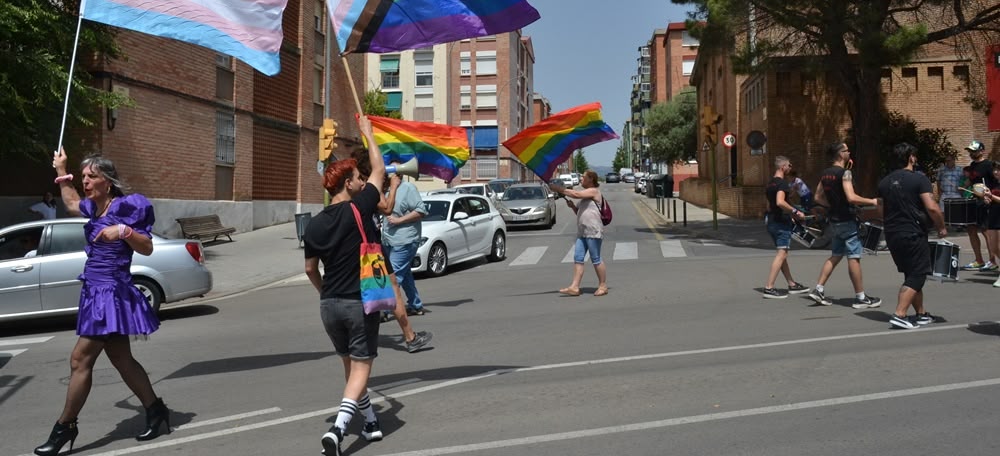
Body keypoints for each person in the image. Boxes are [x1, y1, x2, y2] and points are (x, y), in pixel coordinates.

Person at [34, 149, 167, 456]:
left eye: (91, 176)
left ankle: (65, 427)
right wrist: (62, 170)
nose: (85, 182)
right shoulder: (94, 207)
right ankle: (156, 409)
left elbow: (146, 247)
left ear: (108, 181)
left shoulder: (126, 207)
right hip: (94, 291)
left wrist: (123, 231)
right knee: (121, 359)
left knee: (80, 360)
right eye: (83, 177)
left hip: (110, 293)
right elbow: (69, 202)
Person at [303, 116, 388, 456]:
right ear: (349, 185)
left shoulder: (313, 225)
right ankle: (338, 430)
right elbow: (380, 171)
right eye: (358, 177)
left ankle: (368, 422)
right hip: (359, 301)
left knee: (351, 368)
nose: (363, 180)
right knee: (363, 366)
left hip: (329, 305)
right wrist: (368, 134)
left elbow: (309, 268)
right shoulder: (360, 207)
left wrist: (325, 291)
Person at [351, 150, 433, 354]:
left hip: (360, 242)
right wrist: (393, 187)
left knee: (383, 283)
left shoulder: (354, 187)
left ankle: (363, 333)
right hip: (370, 244)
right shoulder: (367, 187)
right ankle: (409, 337)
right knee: (392, 285)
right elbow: (386, 208)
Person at [878, 143, 947, 329]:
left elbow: (879, 210)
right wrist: (941, 227)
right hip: (913, 233)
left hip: (892, 234)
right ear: (911, 157)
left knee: (911, 273)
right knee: (918, 274)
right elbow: (932, 207)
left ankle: (921, 314)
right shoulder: (919, 179)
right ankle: (900, 314)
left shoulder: (884, 182)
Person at [807, 141, 882, 308]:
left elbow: (818, 198)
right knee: (854, 257)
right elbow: (851, 197)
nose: (849, 152)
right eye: (847, 150)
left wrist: (832, 206)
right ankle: (861, 297)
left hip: (834, 221)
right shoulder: (845, 173)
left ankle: (818, 289)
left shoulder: (825, 174)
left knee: (835, 255)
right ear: (841, 154)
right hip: (847, 221)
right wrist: (872, 201)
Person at [549, 170, 608, 296]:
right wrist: (573, 207)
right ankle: (575, 287)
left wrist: (559, 189)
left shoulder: (594, 191)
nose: (581, 179)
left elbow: (575, 194)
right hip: (582, 231)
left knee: (596, 258)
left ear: (591, 179)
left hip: (593, 230)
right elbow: (581, 213)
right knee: (578, 258)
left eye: (583, 177)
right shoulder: (585, 197)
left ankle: (603, 285)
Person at [382, 161, 430, 316]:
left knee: (394, 276)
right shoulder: (386, 190)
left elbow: (420, 211)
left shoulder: (408, 188)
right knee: (405, 274)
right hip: (389, 240)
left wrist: (399, 220)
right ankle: (415, 305)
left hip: (405, 240)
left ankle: (385, 311)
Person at [762, 156, 809, 298]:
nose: (790, 167)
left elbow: (769, 205)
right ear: (782, 167)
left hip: (771, 221)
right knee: (782, 254)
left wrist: (790, 215)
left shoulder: (770, 184)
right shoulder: (782, 184)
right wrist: (795, 212)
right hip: (780, 223)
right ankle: (769, 288)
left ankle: (792, 284)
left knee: (782, 254)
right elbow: (780, 202)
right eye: (789, 165)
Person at [959, 140, 997, 271]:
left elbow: (996, 182)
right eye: (970, 151)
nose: (971, 153)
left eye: (974, 151)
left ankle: (992, 261)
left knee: (986, 231)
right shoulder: (972, 166)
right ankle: (978, 260)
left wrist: (991, 195)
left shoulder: (989, 165)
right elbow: (972, 180)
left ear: (982, 151)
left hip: (987, 201)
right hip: (974, 201)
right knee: (971, 228)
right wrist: (964, 186)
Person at [981, 161, 1000, 287]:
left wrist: (991, 196)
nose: (995, 172)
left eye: (998, 170)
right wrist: (987, 199)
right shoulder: (994, 183)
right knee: (993, 248)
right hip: (993, 216)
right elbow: (992, 199)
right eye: (994, 170)